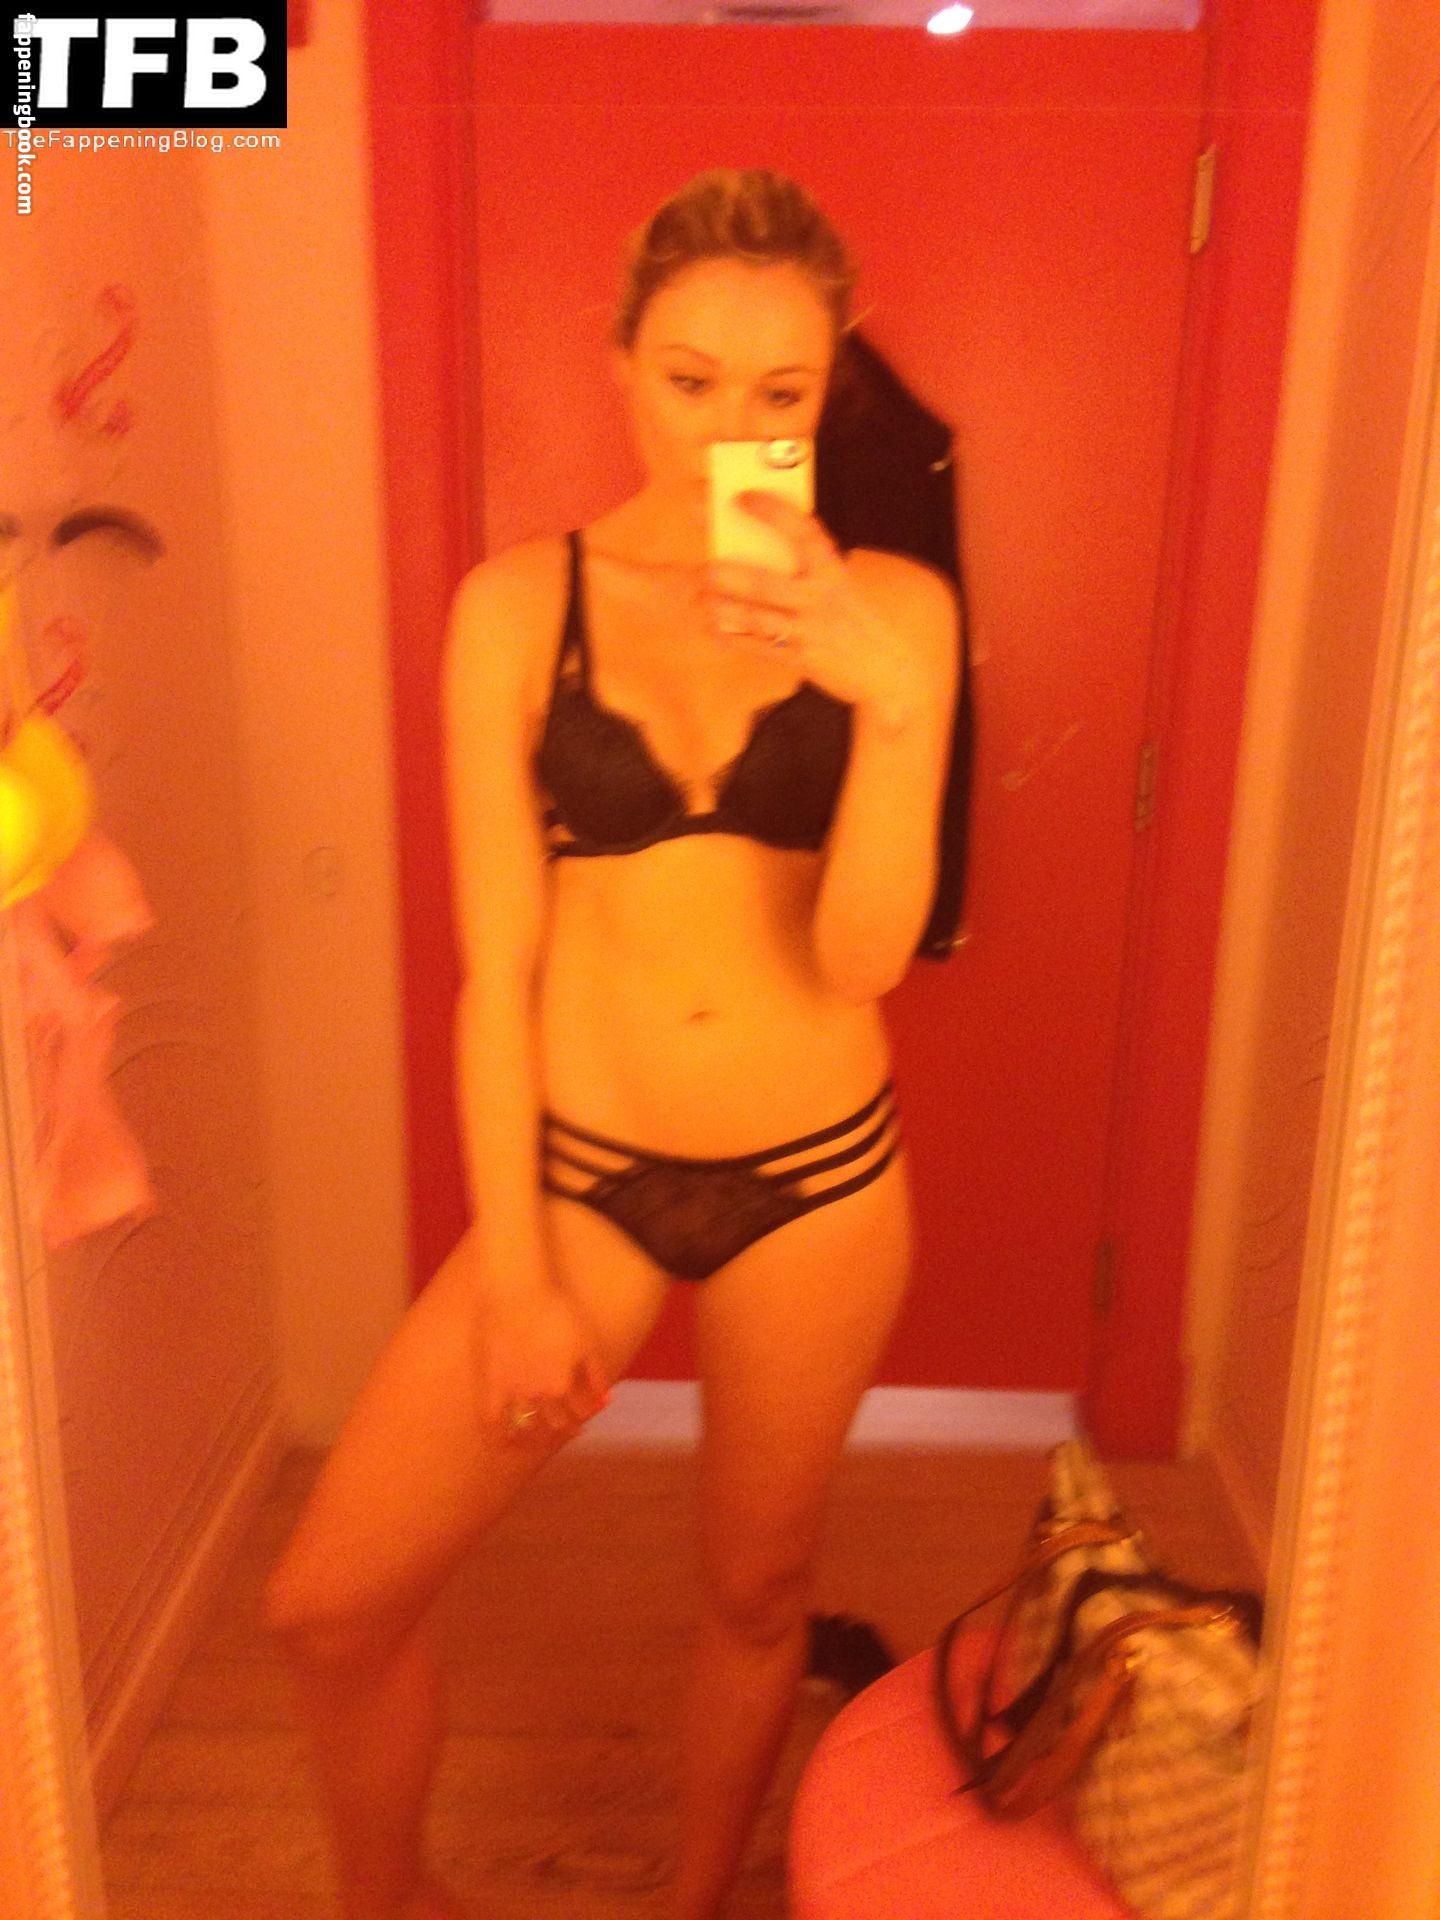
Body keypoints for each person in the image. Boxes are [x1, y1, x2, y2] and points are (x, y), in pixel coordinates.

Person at [261, 166, 959, 1920]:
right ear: (622, 365)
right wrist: (512, 1271)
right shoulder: (519, 607)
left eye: (781, 389)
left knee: (756, 1595)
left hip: (819, 1182)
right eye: (690, 378)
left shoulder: (897, 613)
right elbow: (495, 969)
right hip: (580, 1178)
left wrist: (887, 704)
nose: (730, 425)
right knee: (331, 1607)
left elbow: (863, 955)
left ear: (831, 391)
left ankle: (694, 1899)